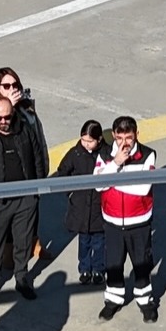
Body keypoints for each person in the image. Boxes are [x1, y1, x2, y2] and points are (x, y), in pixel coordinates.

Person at [0, 95, 47, 302]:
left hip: (25, 200)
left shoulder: (24, 130)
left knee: (23, 241)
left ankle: (22, 278)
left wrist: (36, 192)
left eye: (7, 117)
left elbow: (37, 158)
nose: (3, 121)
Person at [96, 116, 158, 323]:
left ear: (137, 135)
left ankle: (145, 301)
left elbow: (142, 188)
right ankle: (113, 301)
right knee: (113, 263)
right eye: (120, 137)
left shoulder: (148, 155)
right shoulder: (104, 154)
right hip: (112, 221)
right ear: (113, 135)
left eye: (129, 137)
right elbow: (97, 185)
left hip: (139, 222)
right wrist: (116, 164)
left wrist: (111, 180)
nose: (124, 142)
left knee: (142, 263)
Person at [53, 120, 109, 287]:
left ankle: (98, 269)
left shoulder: (106, 153)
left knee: (99, 241)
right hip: (80, 206)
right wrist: (69, 192)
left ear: (99, 139)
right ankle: (84, 268)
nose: (86, 144)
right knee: (84, 240)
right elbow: (62, 172)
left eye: (90, 141)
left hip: (99, 206)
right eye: (83, 140)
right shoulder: (75, 153)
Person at [0, 67, 47, 154]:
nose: (12, 89)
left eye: (15, 85)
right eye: (6, 86)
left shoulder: (26, 107)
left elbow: (39, 139)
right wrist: (9, 106)